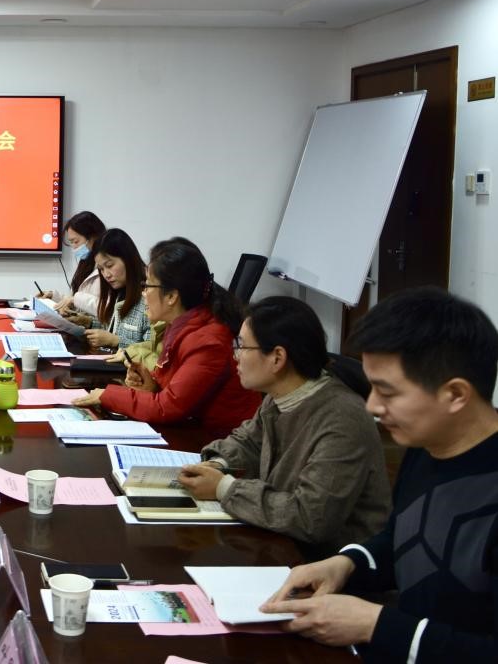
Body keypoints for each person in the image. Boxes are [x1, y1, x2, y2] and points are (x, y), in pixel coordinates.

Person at [262, 287, 498, 662]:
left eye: (387, 392)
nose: (371, 406)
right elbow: (404, 538)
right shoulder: (426, 444)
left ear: (455, 394)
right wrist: (346, 564)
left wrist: (376, 624)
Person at [176, 296, 390, 553]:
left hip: (330, 564)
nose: (235, 356)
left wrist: (224, 487)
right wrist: (216, 464)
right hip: (280, 543)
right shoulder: (280, 394)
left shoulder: (343, 419)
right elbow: (248, 441)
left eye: (242, 346)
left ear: (277, 358)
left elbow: (311, 518)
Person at [71, 238, 260, 435]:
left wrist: (107, 395)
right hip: (191, 428)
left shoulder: (209, 342)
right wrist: (151, 385)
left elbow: (167, 407)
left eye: (148, 286)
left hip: (216, 439)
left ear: (171, 296)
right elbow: (176, 391)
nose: (143, 294)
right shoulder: (179, 325)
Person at [83, 228, 154, 351]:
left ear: (128, 259)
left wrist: (116, 341)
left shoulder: (150, 296)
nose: (106, 274)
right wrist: (87, 322)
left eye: (109, 266)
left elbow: (152, 351)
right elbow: (113, 328)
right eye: (101, 269)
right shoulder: (120, 291)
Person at [39, 211, 105, 318]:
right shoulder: (85, 263)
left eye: (76, 241)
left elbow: (107, 309)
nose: (74, 247)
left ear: (93, 237)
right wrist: (54, 297)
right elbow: (75, 302)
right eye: (71, 243)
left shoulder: (107, 269)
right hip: (80, 325)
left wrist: (76, 299)